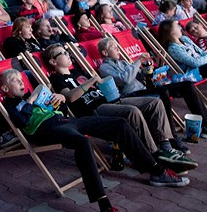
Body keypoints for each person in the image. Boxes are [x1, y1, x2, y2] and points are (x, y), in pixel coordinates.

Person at [0, 69, 187, 212]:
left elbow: (62, 108)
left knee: (120, 124)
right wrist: (31, 101)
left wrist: (61, 99)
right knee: (82, 143)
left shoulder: (32, 98)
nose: (21, 82)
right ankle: (105, 208)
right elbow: (21, 122)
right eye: (15, 80)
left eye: (20, 79)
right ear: (5, 89)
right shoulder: (9, 106)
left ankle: (155, 171)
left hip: (67, 121)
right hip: (48, 130)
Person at [41, 45, 196, 172]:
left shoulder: (78, 72)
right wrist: (91, 80)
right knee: (132, 112)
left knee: (154, 102)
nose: (68, 55)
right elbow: (70, 97)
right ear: (53, 62)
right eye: (63, 53)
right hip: (95, 109)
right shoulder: (56, 78)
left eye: (68, 52)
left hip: (112, 100)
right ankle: (154, 154)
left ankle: (166, 148)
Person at [96, 37, 207, 143]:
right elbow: (125, 80)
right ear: (105, 53)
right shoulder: (104, 68)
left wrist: (150, 70)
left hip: (145, 89)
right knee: (162, 93)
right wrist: (137, 61)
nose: (118, 48)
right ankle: (171, 136)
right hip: (132, 95)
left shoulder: (123, 63)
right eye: (114, 47)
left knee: (187, 85)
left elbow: (140, 76)